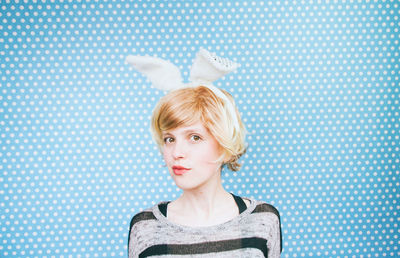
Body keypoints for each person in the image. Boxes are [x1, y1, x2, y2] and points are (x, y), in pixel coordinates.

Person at [126, 49, 282, 258]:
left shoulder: (262, 221)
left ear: (224, 145)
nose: (177, 152)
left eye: (195, 137)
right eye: (169, 139)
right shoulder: (145, 228)